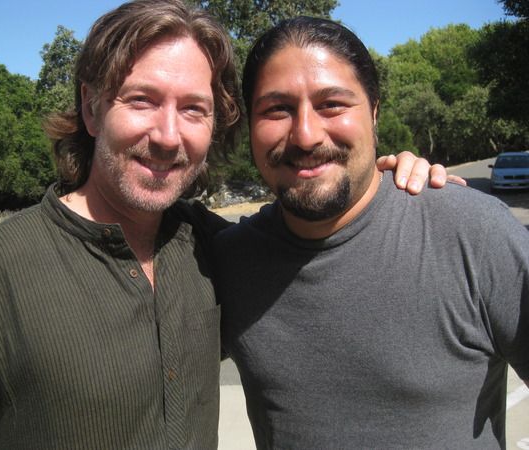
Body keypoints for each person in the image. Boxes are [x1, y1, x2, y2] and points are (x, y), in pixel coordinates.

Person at [0, 1, 454, 448]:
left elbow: (316, 237)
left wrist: (383, 180)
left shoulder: (212, 247)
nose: (167, 135)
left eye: (193, 110)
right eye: (142, 100)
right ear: (91, 109)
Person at [213, 17, 529, 449]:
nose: (305, 135)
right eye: (277, 109)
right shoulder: (226, 263)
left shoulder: (472, 233)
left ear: (374, 112)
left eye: (332, 105)